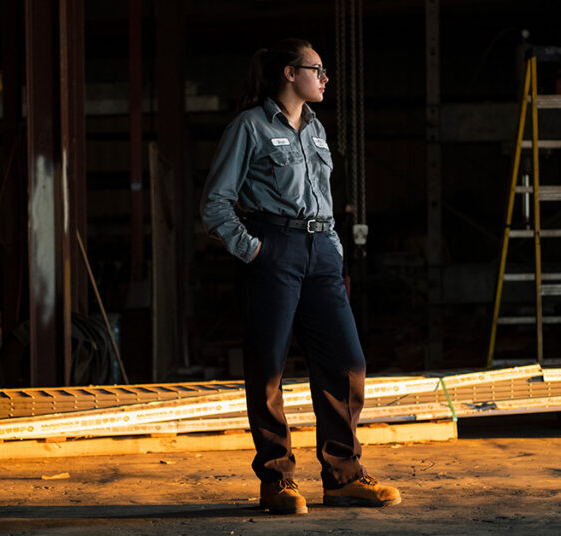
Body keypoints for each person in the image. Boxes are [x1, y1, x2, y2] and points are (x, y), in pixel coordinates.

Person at [199, 38, 401, 515]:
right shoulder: (249, 127)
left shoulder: (314, 130)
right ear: (290, 74)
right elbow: (215, 204)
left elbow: (322, 201)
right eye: (317, 69)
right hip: (276, 250)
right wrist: (255, 251)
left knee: (347, 363)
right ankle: (277, 481)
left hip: (322, 253)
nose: (325, 78)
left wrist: (332, 255)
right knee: (268, 369)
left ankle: (343, 477)